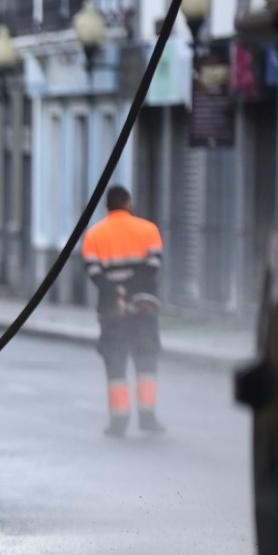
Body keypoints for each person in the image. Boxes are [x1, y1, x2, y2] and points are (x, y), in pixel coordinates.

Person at [82, 185, 165, 437]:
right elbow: (153, 264)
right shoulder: (149, 229)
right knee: (146, 359)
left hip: (111, 310)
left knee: (115, 362)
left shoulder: (94, 235)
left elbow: (94, 272)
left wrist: (116, 292)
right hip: (143, 307)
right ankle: (147, 417)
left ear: (107, 206)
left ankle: (118, 421)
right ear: (128, 203)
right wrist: (131, 290)